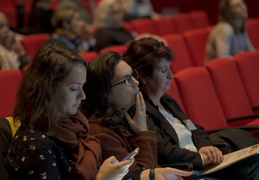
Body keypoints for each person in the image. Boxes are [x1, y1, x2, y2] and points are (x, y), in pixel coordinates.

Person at [124, 37, 259, 180]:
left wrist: (204, 147)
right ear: (144, 76)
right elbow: (163, 150)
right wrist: (201, 158)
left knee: (256, 164)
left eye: (169, 69)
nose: (171, 75)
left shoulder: (166, 99)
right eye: (164, 71)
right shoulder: (139, 108)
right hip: (187, 172)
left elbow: (195, 128)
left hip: (203, 164)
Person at [6, 40, 133, 180]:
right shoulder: (34, 144)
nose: (82, 96)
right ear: (48, 90)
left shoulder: (76, 126)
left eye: (82, 87)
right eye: (74, 89)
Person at [80, 50, 192, 180]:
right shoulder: (101, 134)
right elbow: (146, 174)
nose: (136, 82)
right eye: (127, 80)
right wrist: (143, 132)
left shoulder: (128, 115)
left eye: (133, 75)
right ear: (106, 93)